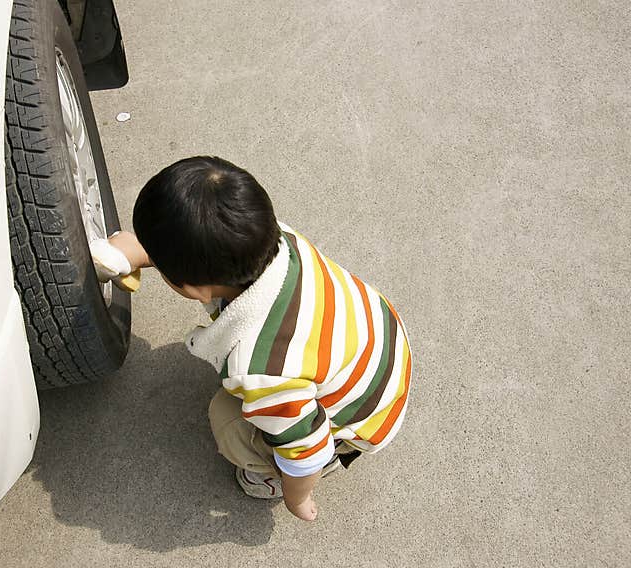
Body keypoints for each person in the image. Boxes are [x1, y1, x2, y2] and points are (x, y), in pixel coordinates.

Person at [90, 156, 412, 521]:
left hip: (363, 416)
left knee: (225, 418)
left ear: (196, 290)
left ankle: (297, 469)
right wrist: (135, 251)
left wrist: (298, 498)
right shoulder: (274, 238)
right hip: (376, 341)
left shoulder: (262, 370)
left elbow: (304, 450)